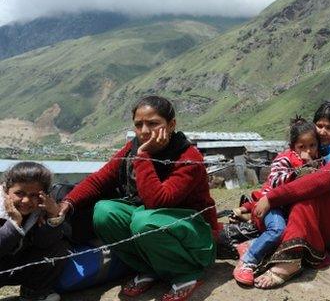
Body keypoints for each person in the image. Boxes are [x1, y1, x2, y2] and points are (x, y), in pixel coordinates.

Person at [59, 96, 218, 301]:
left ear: (171, 125)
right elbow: (100, 179)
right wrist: (68, 203)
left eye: (153, 124)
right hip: (155, 223)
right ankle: (148, 268)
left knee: (144, 220)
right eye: (138, 124)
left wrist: (143, 156)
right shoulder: (131, 149)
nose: (144, 131)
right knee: (104, 212)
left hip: (194, 234)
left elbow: (158, 201)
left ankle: (185, 273)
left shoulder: (188, 156)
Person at [251, 102, 330, 289]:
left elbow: (318, 183)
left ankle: (290, 261)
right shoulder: (324, 149)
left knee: (308, 194)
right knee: (301, 192)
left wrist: (272, 197)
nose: (323, 131)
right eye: (319, 125)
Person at [232, 117, 321, 287]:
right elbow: (274, 180)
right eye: (302, 147)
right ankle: (248, 261)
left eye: (312, 145)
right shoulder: (284, 158)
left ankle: (250, 244)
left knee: (290, 231)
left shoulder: (317, 161)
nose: (308, 150)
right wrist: (298, 172)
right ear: (293, 146)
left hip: (286, 206)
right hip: (272, 204)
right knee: (277, 229)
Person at [1, 162, 68, 301]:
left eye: (34, 195)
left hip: (14, 266)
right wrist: (14, 224)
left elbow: (43, 243)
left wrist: (52, 216)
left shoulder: (39, 211)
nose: (26, 200)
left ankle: (32, 295)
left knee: (57, 249)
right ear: (6, 190)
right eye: (19, 193)